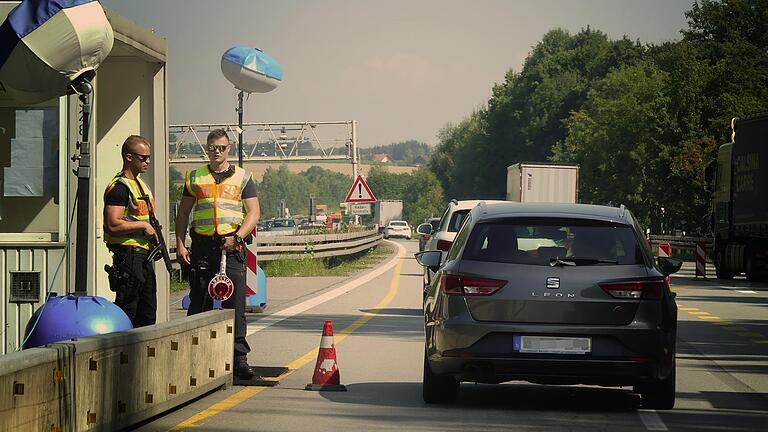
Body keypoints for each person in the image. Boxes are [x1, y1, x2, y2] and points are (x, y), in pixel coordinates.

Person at [175, 128, 260, 380]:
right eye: (212, 147)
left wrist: (238, 237)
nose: (217, 152)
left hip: (231, 247)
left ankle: (238, 358)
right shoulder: (195, 177)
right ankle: (194, 356)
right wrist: (180, 245)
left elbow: (254, 213)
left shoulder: (243, 177)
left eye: (221, 147)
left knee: (234, 305)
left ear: (228, 149)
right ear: (207, 149)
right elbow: (182, 215)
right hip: (202, 247)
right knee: (199, 301)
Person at [103, 135, 158, 327]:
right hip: (129, 258)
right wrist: (143, 226)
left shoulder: (140, 185)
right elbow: (112, 224)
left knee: (147, 316)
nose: (147, 161)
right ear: (128, 157)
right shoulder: (120, 187)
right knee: (129, 313)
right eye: (143, 157)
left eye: (148, 157)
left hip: (143, 258)